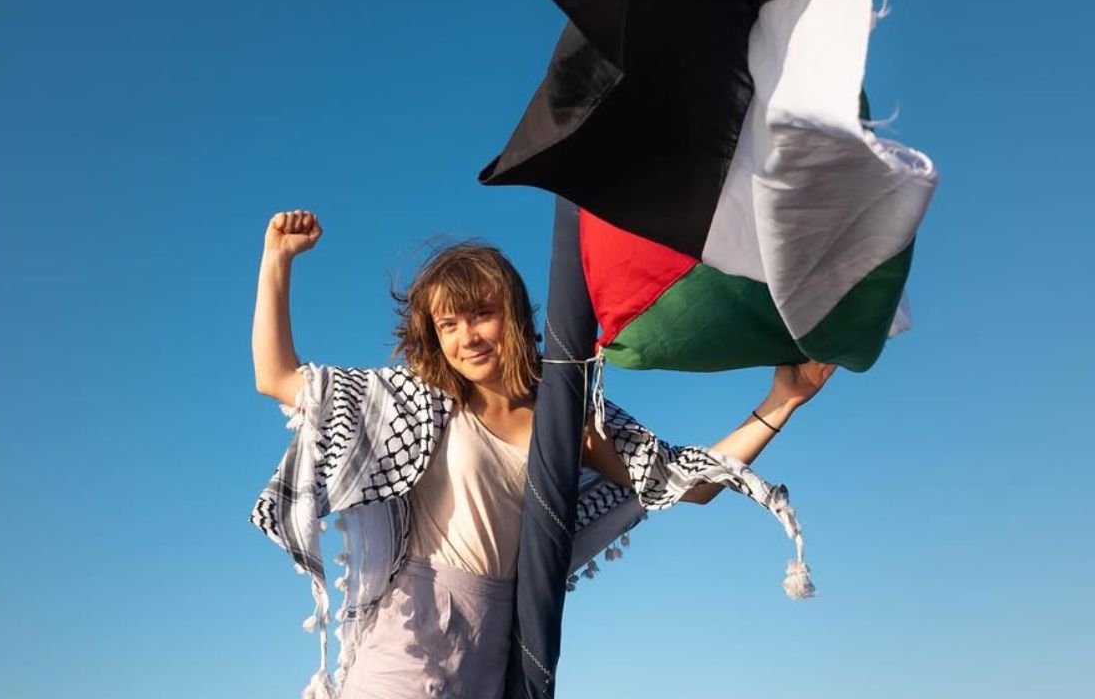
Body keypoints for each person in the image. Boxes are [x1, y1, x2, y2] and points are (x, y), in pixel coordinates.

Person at [251, 209, 836, 699]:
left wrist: (782, 402)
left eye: (481, 313)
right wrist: (277, 259)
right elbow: (276, 377)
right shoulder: (421, 402)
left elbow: (689, 482)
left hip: (502, 642)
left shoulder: (570, 419)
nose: (467, 337)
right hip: (412, 632)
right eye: (448, 324)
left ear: (514, 313)